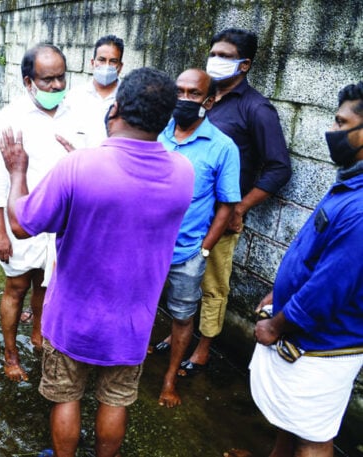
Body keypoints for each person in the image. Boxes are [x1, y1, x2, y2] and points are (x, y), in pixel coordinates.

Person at [0, 67, 194, 457]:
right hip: (132, 321)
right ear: (167, 118)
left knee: (66, 398)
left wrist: (17, 172)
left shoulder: (79, 167)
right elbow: (128, 204)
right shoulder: (183, 172)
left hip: (73, 318)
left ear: (115, 109)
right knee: (116, 400)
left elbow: (21, 225)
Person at [229, 81, 363, 457]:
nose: (332, 131)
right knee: (291, 421)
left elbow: (331, 287)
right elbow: (317, 256)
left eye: (341, 123)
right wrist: (280, 292)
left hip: (324, 345)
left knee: (312, 436)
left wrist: (276, 324)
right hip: (307, 336)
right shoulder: (351, 185)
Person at [154, 28, 292, 371]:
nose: (216, 60)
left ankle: (203, 346)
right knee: (179, 281)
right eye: (213, 53)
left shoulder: (256, 109)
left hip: (220, 215)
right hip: (180, 215)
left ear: (243, 65)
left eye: (225, 56)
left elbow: (279, 168)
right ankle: (177, 333)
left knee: (213, 282)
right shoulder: (192, 100)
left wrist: (240, 207)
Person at [0, 43, 82, 382]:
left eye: (60, 79)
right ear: (28, 81)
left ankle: (39, 337)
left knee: (47, 285)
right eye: (47, 80)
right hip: (20, 221)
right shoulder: (8, 121)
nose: (55, 86)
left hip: (63, 225)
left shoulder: (76, 115)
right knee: (17, 285)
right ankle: (11, 353)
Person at [155, 69, 241, 408]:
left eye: (194, 94)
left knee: (182, 316)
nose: (184, 99)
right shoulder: (156, 133)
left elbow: (226, 205)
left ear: (210, 100)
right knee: (141, 305)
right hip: (147, 247)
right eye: (179, 91)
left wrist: (204, 248)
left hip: (188, 252)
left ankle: (169, 378)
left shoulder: (222, 147)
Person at [64, 34, 124, 148]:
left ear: (120, 67)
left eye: (113, 61)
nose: (106, 66)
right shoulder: (75, 96)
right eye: (101, 60)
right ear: (93, 63)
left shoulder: (128, 99)